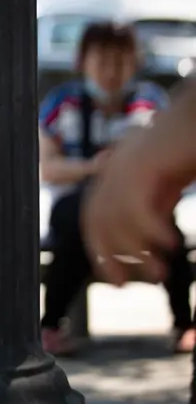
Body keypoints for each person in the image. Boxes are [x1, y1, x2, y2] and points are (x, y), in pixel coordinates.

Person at [38, 22, 195, 355]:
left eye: (120, 61)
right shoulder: (60, 103)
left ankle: (185, 323)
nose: (111, 71)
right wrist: (95, 169)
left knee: (170, 237)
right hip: (74, 207)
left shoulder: (151, 103)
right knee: (75, 227)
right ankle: (49, 326)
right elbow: (47, 167)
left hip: (141, 209)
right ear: (83, 61)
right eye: (103, 61)